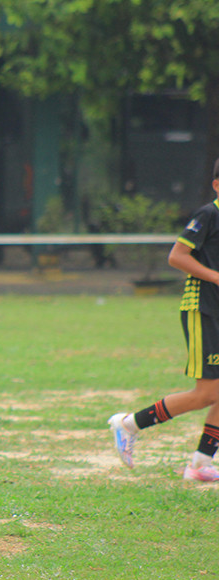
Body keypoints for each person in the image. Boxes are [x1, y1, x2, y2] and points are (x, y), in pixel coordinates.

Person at [109, 156, 219, 482]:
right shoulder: (208, 214)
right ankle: (128, 424)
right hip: (203, 309)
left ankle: (200, 463)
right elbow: (177, 256)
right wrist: (215, 277)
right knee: (206, 395)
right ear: (216, 185)